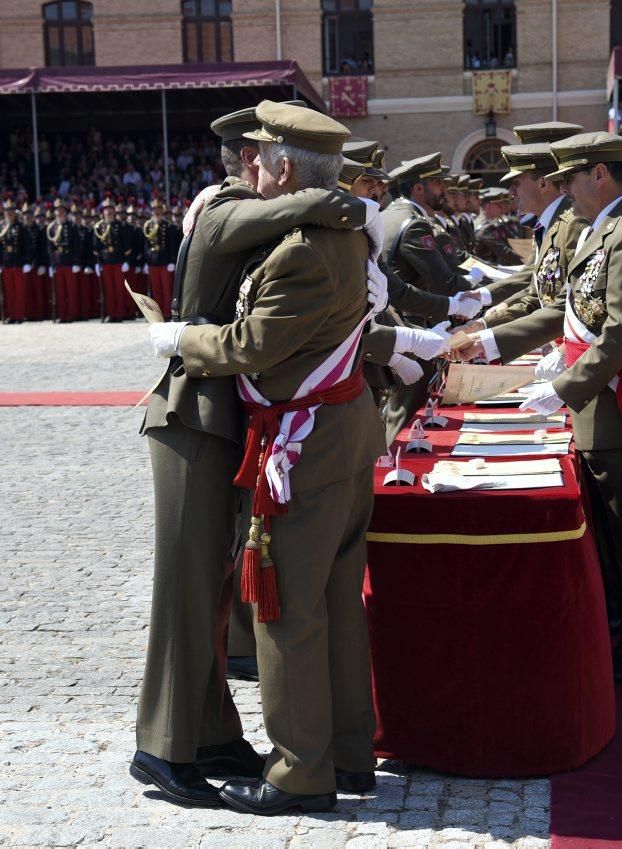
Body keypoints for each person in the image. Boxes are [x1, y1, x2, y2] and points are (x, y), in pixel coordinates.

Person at [131, 104, 384, 810]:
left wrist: (348, 209)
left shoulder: (306, 228)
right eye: (245, 152)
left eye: (260, 154)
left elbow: (280, 320)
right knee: (190, 589)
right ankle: (165, 745)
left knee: (227, 592)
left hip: (242, 420)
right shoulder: (219, 208)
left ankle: (218, 735)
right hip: (193, 414)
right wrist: (349, 203)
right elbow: (314, 207)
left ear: (279, 164)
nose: (249, 163)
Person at [518, 131, 622, 686]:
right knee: (613, 532)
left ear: (599, 174)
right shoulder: (604, 228)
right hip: (601, 402)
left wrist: (567, 387)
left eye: (569, 178)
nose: (563, 190)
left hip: (621, 402)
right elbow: (573, 310)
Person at [451, 138, 585, 366]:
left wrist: (486, 337)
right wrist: (483, 326)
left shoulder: (572, 223)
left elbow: (572, 302)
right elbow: (536, 293)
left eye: (517, 183)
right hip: (556, 343)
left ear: (543, 183)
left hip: (574, 351)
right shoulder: (550, 223)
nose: (511, 192)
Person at [380, 152, 483, 440]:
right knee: (407, 410)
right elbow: (444, 282)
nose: (445, 191)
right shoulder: (414, 223)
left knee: (397, 408)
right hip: (416, 326)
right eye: (438, 184)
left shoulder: (390, 215)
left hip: (395, 324)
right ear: (419, 188)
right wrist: (473, 296)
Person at [46, 199, 82, 322]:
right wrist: (51, 264)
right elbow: (50, 248)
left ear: (66, 213)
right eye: (57, 211)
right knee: (60, 292)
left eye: (61, 211)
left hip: (69, 262)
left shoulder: (72, 226)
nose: (59, 213)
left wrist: (76, 262)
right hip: (57, 263)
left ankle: (71, 315)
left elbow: (77, 246)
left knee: (71, 292)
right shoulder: (51, 227)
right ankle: (61, 315)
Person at [0, 198, 34, 323]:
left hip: (18, 263)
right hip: (6, 264)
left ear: (14, 213)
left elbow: (28, 246)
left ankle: (19, 316)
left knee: (19, 292)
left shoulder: (21, 227)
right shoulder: (1, 226)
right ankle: (10, 315)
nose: (9, 214)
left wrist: (27, 262)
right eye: (6, 211)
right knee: (8, 293)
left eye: (11, 211)